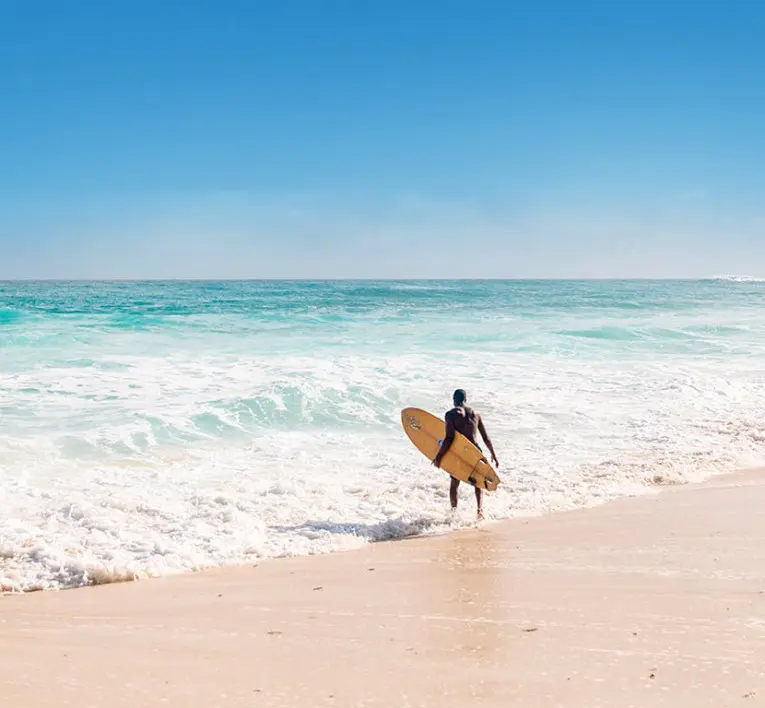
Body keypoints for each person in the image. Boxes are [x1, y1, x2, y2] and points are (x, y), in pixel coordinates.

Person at [432, 389, 499, 519]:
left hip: (461, 453)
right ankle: (479, 512)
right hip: (475, 451)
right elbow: (486, 437)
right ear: (465, 399)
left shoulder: (451, 414)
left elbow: (449, 438)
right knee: (478, 482)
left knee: (454, 483)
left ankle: (454, 513)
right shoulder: (476, 414)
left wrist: (438, 457)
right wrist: (493, 454)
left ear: (454, 399)